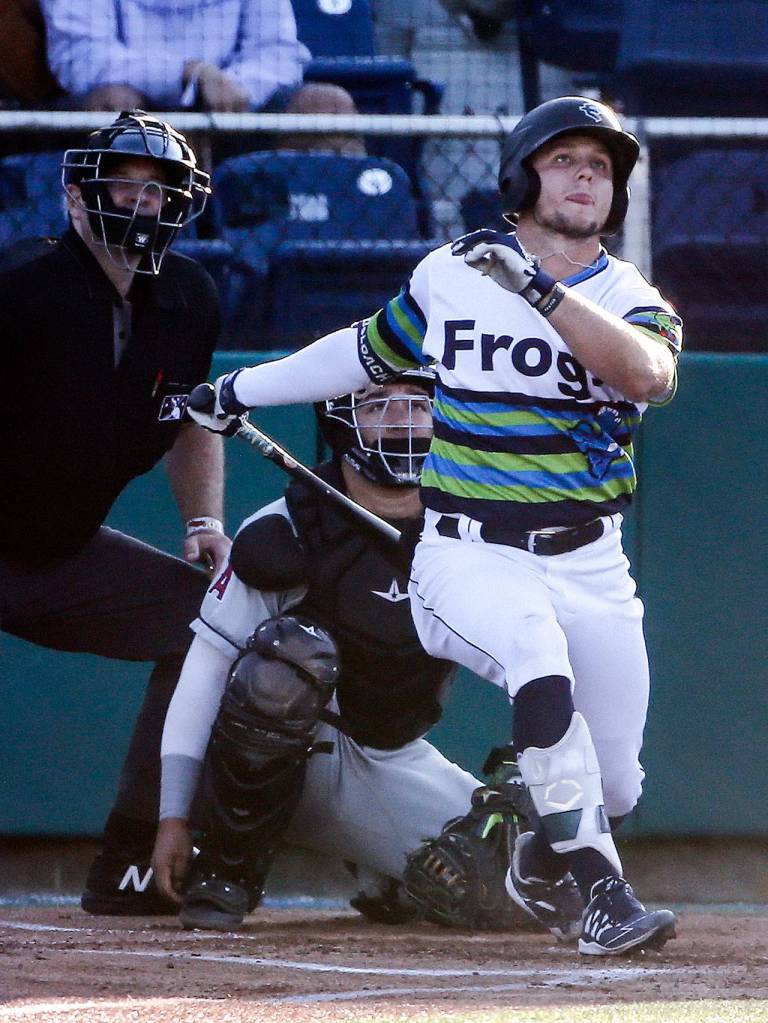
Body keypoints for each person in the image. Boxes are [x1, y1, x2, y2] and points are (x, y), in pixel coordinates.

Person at [188, 96, 685, 956]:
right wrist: (240, 390)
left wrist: (536, 287)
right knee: (535, 654)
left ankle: (538, 846)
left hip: (591, 560)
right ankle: (603, 894)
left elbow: (645, 375)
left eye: (600, 167)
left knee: (620, 780)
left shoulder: (632, 297)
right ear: (523, 174)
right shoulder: (451, 272)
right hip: (471, 551)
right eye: (565, 159)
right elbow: (364, 349)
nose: (583, 177)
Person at [152, 369, 550, 932]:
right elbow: (204, 673)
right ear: (340, 420)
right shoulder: (285, 527)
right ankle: (227, 872)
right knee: (289, 660)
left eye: (418, 403)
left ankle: (390, 876)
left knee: (525, 891)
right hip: (270, 761)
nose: (399, 420)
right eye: (376, 404)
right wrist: (173, 817)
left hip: (389, 754)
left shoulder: (471, 530)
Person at [0, 108, 230, 915]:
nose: (140, 202)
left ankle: (135, 856)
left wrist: (204, 522)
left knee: (214, 624)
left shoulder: (192, 297)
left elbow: (196, 422)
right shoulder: (20, 287)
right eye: (122, 186)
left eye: (157, 188)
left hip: (64, 553)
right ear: (73, 199)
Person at [41, 0, 365, 154]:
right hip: (134, 113)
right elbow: (81, 58)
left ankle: (325, 269)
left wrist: (231, 90)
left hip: (235, 117)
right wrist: (187, 75)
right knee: (113, 103)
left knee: (328, 104)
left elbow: (278, 51)